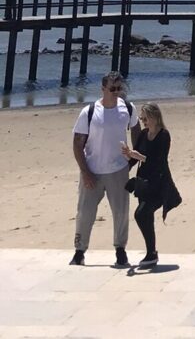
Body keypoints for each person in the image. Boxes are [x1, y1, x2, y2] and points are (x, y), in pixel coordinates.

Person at [70, 72, 141, 267]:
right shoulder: (89, 112)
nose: (116, 92)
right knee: (85, 213)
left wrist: (131, 161)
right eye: (112, 89)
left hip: (118, 170)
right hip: (92, 170)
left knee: (120, 212)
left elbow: (137, 132)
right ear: (103, 89)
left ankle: (120, 250)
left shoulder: (127, 108)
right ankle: (79, 251)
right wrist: (85, 172)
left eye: (119, 89)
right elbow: (77, 144)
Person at [121, 103, 180, 269]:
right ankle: (151, 253)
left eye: (145, 118)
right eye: (141, 119)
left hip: (159, 184)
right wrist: (127, 159)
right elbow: (135, 157)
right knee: (146, 216)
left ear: (155, 117)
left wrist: (141, 157)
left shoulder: (164, 135)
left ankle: (151, 253)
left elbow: (159, 161)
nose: (143, 122)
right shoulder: (143, 134)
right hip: (144, 183)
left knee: (141, 214)